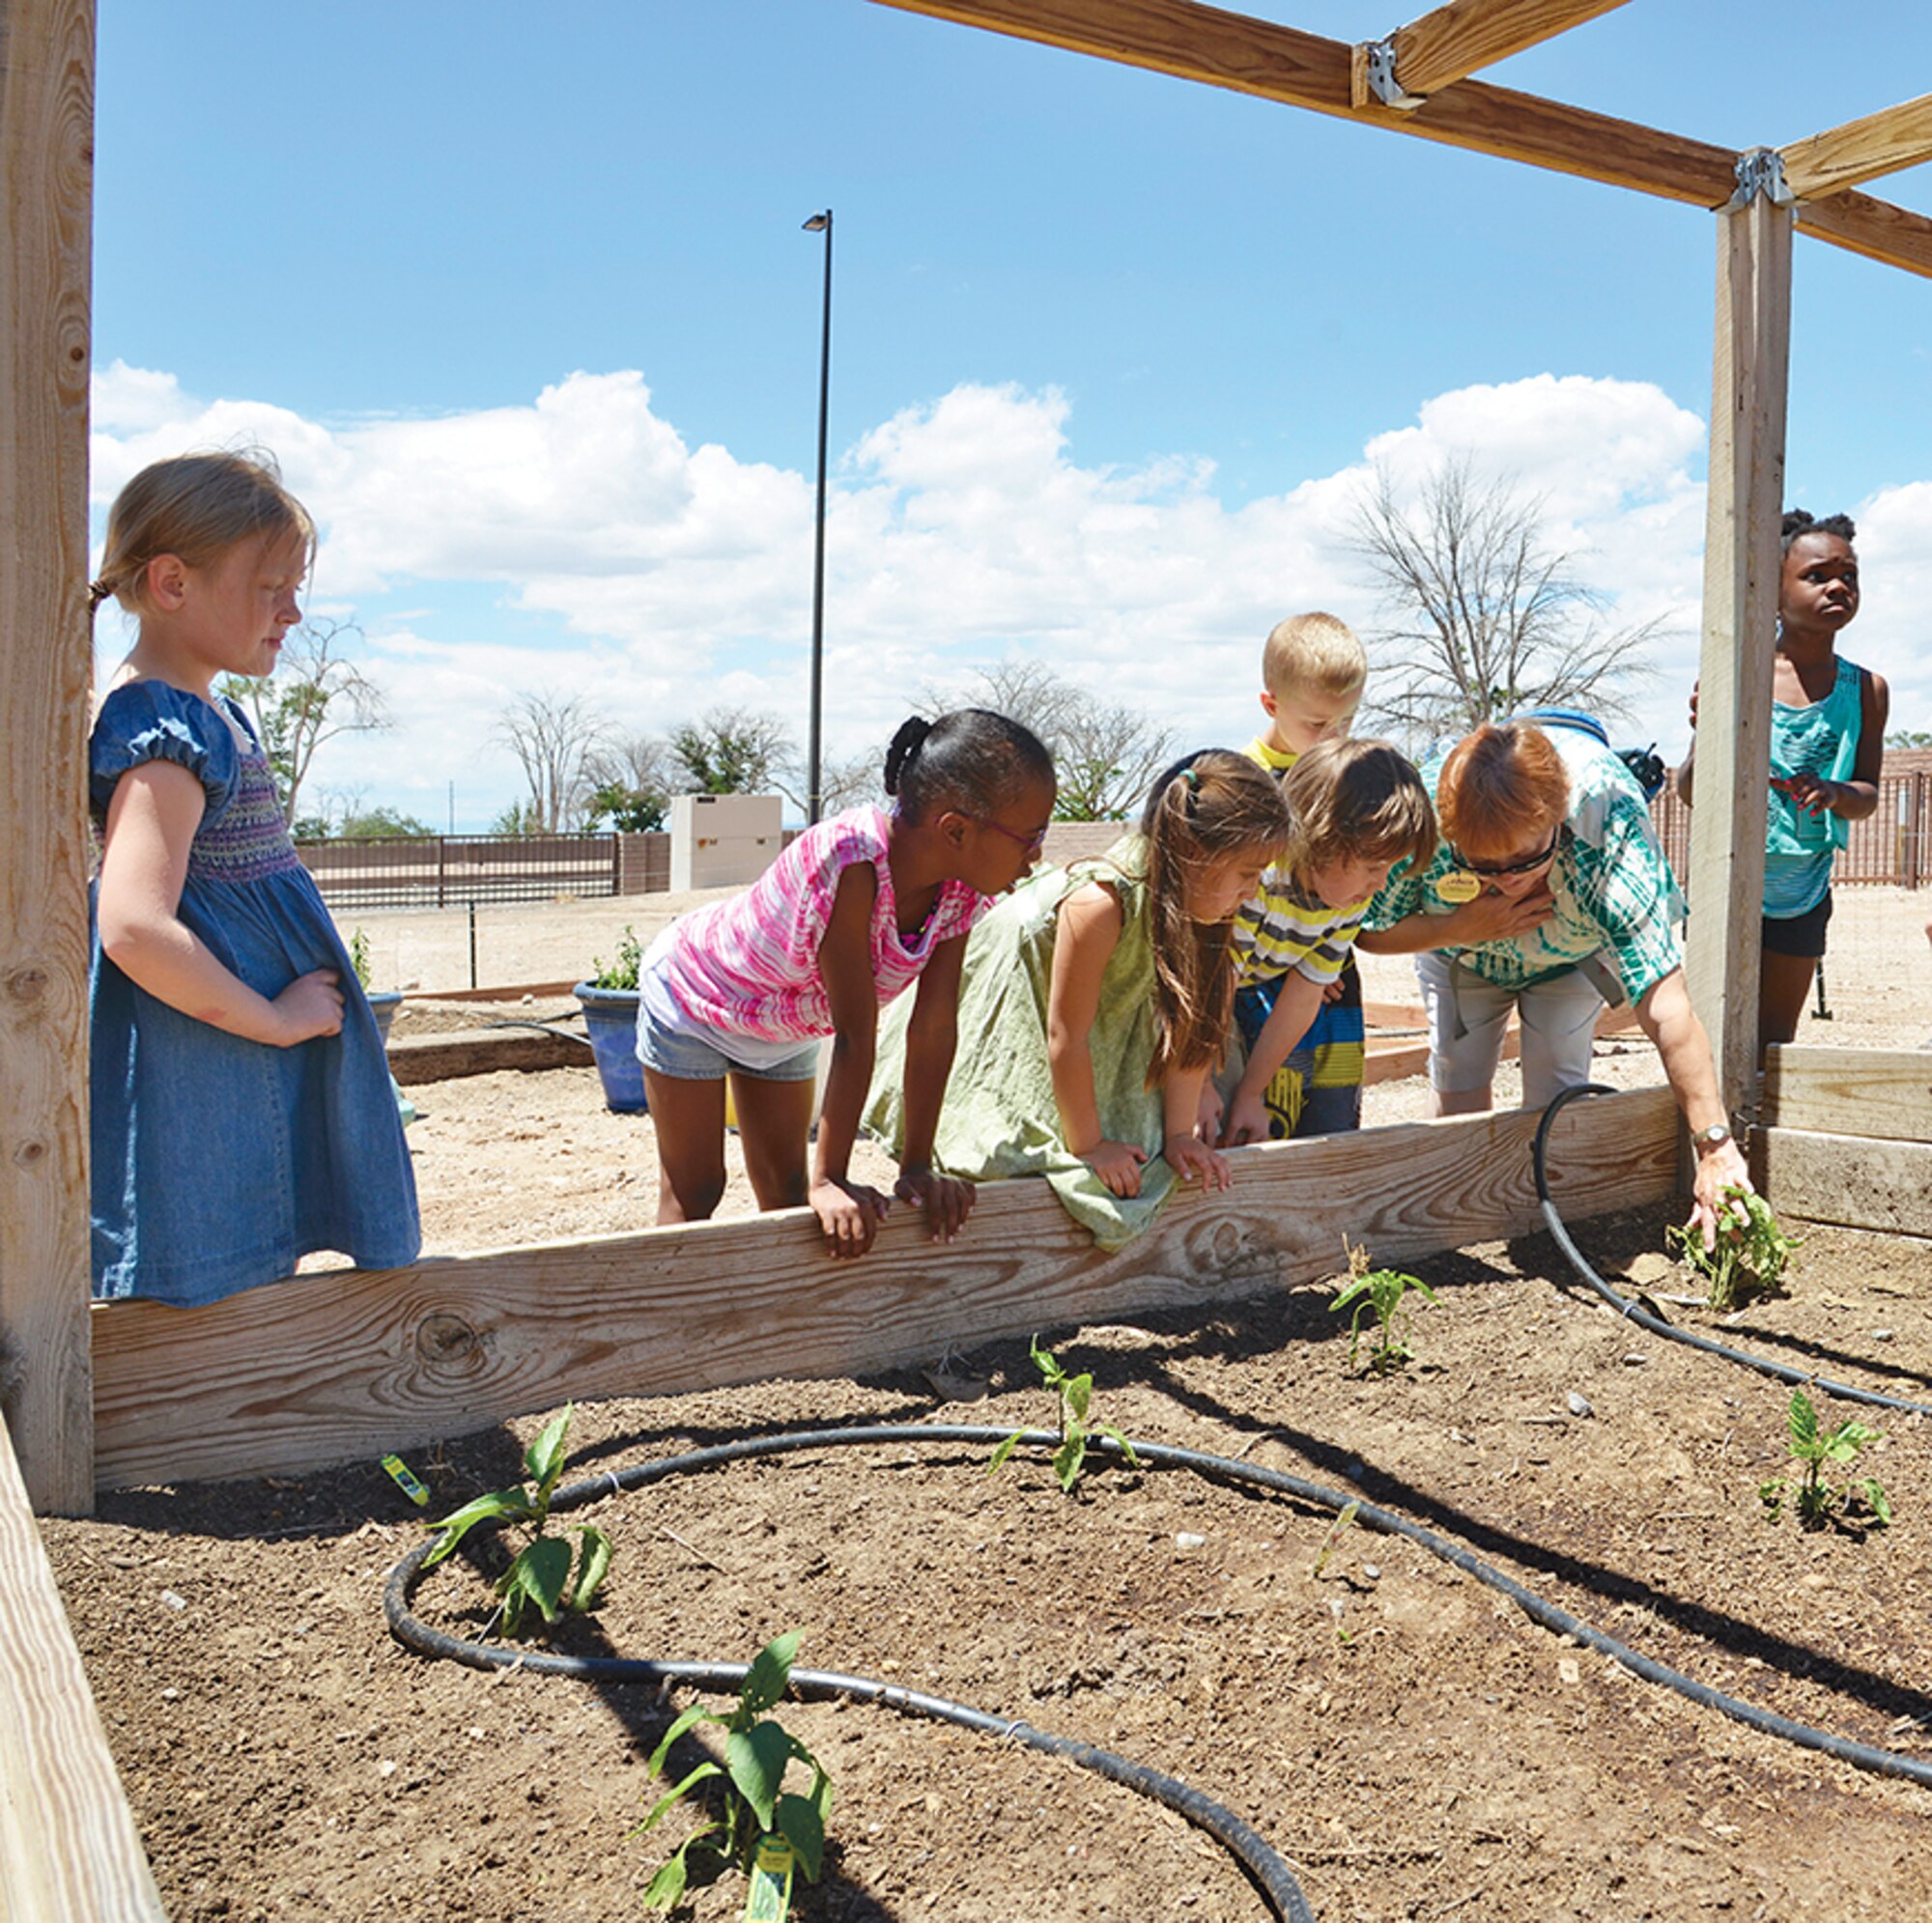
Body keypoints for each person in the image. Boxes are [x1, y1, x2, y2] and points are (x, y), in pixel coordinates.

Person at [88, 451, 420, 1304]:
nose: (294, 610)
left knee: (245, 1236)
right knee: (212, 1252)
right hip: (210, 1048)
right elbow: (132, 923)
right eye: (272, 584)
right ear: (172, 583)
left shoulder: (207, 711)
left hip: (226, 1045)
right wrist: (272, 1019)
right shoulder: (164, 726)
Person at [638, 711, 1055, 1258]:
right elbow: (857, 1033)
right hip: (699, 997)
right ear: (955, 829)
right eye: (1030, 836)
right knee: (696, 1193)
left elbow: (932, 1029)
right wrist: (831, 1176)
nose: (1037, 855)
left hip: (782, 1023)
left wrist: (917, 1168)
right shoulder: (851, 863)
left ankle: (784, 1331)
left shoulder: (961, 892)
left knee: (788, 1201)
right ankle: (672, 1325)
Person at [865, 750, 1292, 1249]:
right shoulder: (1101, 903)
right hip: (1017, 1002)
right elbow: (1065, 1035)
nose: (1253, 889)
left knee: (1147, 1152)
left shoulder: (1207, 913)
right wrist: (1090, 1146)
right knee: (1018, 1154)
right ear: (1197, 856)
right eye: (1246, 872)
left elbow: (1188, 1027)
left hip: (1100, 1023)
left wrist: (1179, 1135)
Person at [1358, 720, 1751, 1242]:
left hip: (1569, 958)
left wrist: (1714, 1144)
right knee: (1460, 1083)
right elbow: (1371, 930)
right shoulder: (1423, 812)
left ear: (1559, 819)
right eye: (1484, 865)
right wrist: (1464, 924)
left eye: (1526, 859)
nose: (1508, 880)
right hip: (1458, 952)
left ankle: (1545, 1227)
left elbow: (1666, 1004)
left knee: (1555, 1097)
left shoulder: (1607, 817)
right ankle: (1459, 1227)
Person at [1676, 510, 1889, 1054]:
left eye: (1849, 576)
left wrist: (1837, 793)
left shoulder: (1866, 690)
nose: (1839, 586)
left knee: (1775, 1041)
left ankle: (1759, 1137)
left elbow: (1867, 794)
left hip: (1804, 891)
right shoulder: (1736, 674)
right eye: (1817, 576)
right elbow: (1692, 792)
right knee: (1707, 1038)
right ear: (1772, 591)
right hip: (1725, 885)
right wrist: (1710, 729)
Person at [1219, 738, 1436, 1146]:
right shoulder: (1258, 881)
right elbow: (1211, 993)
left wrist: (1251, 1094)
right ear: (1321, 841)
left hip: (1258, 986)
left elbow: (1304, 994)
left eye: (1390, 867)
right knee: (1208, 1111)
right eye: (1374, 866)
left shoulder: (1347, 896)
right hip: (1201, 1002)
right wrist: (1198, 1092)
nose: (1381, 882)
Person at [1238, 612, 1374, 1135]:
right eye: (1317, 725)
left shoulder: (1351, 776)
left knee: (1330, 1116)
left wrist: (1321, 958)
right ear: (1272, 704)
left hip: (1324, 975)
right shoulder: (1244, 780)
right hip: (1247, 982)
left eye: (1346, 722)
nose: (1331, 738)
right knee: (1262, 1117)